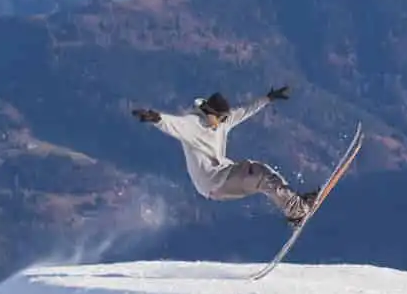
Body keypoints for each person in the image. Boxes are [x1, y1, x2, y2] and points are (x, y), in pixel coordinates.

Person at [131, 85, 319, 227]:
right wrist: (154, 117)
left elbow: (244, 111)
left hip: (220, 180)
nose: (222, 122)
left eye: (224, 118)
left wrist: (268, 98)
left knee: (265, 177)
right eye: (220, 118)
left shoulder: (221, 122)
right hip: (214, 180)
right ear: (210, 113)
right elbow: (173, 123)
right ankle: (297, 210)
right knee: (259, 173)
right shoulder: (193, 124)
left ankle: (294, 203)